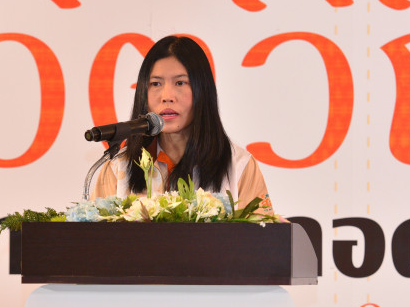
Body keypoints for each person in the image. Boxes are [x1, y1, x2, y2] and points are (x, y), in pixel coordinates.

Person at [90, 35, 273, 213]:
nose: (167, 96)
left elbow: (261, 232)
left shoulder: (238, 166)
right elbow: (93, 232)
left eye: (180, 82)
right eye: (156, 84)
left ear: (202, 90)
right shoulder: (119, 168)